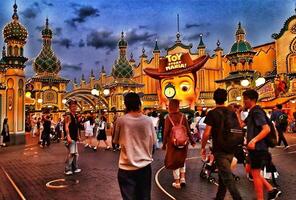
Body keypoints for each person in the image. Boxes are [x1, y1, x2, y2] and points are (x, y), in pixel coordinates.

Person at [113, 92, 156, 200]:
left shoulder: (121, 121)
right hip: (144, 166)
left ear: (126, 105)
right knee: (145, 197)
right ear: (139, 104)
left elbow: (115, 141)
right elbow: (154, 143)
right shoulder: (148, 120)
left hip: (126, 167)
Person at [201, 88, 242, 200]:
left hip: (220, 149)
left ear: (214, 99)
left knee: (228, 179)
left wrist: (203, 147)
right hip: (231, 148)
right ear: (225, 98)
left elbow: (206, 133)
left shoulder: (212, 113)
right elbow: (239, 126)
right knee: (223, 175)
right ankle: (219, 197)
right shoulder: (231, 112)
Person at [242, 89, 281, 200]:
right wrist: (237, 111)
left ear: (252, 100)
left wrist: (253, 140)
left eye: (245, 99)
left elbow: (266, 129)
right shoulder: (251, 112)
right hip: (255, 149)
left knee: (255, 174)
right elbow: (241, 124)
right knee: (250, 170)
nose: (244, 101)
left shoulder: (256, 111)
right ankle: (271, 190)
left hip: (258, 148)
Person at [162, 99, 196, 189]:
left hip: (172, 143)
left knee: (174, 161)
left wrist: (164, 143)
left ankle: (177, 183)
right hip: (184, 142)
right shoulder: (183, 116)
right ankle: (183, 178)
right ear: (178, 106)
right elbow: (188, 130)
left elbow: (165, 132)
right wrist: (192, 141)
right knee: (182, 159)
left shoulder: (168, 117)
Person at [64, 99, 81, 175]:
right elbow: (66, 127)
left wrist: (78, 136)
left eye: (75, 106)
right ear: (70, 108)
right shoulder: (68, 116)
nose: (74, 108)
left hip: (74, 137)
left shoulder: (75, 116)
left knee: (75, 154)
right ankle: (67, 169)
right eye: (72, 106)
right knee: (72, 153)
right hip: (70, 137)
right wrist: (68, 137)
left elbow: (76, 127)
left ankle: (75, 168)